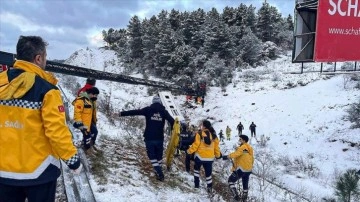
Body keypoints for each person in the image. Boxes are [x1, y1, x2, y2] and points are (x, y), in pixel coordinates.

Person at [0, 35, 81, 202]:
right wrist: (73, 161)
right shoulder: (47, 90)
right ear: (38, 58)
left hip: (3, 172)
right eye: (45, 57)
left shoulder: (1, 83)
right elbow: (56, 131)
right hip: (39, 172)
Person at [119, 95, 175, 181]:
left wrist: (122, 113)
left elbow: (135, 112)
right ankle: (158, 170)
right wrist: (172, 132)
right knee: (158, 156)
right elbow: (173, 121)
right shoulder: (164, 111)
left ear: (153, 102)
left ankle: (159, 173)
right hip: (159, 138)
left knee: (151, 155)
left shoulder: (148, 109)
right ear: (160, 103)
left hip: (149, 137)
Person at [186, 120, 221, 193]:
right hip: (210, 158)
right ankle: (209, 188)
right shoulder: (214, 135)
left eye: (202, 125)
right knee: (208, 174)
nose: (201, 126)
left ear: (204, 126)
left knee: (196, 171)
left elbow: (195, 145)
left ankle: (196, 186)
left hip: (199, 157)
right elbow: (216, 147)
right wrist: (217, 155)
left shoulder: (199, 134)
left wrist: (189, 151)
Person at [223, 135, 254, 201]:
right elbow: (252, 159)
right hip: (248, 170)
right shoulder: (249, 148)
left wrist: (227, 157)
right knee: (245, 184)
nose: (239, 140)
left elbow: (236, 154)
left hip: (241, 169)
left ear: (244, 140)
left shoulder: (243, 147)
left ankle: (236, 197)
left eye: (240, 139)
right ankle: (244, 199)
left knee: (230, 181)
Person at [72, 87, 100, 153]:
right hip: (83, 123)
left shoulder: (93, 100)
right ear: (90, 93)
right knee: (87, 135)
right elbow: (77, 112)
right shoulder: (81, 100)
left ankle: (91, 145)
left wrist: (94, 120)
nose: (96, 96)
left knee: (95, 132)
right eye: (95, 95)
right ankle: (86, 149)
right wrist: (80, 124)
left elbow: (93, 111)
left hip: (90, 121)